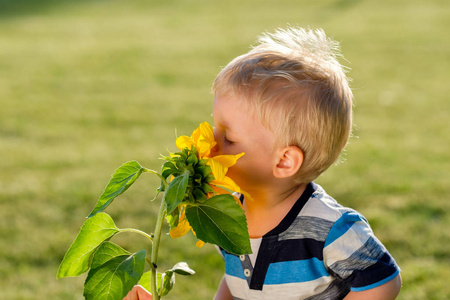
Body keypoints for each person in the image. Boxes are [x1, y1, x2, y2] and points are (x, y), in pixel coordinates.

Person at [125, 27, 402, 300]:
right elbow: (237, 283)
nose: (210, 145)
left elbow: (383, 281)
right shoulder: (228, 212)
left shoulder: (330, 228)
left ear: (283, 162)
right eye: (214, 128)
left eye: (229, 139)